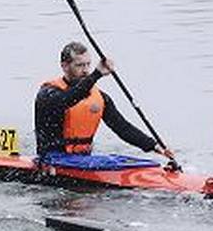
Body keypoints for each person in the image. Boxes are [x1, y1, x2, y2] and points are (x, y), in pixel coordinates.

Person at [34, 41, 175, 164]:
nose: (85, 70)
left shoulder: (100, 97)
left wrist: (154, 146)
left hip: (82, 160)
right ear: (64, 66)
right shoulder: (48, 94)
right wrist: (97, 74)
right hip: (51, 158)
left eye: (88, 64)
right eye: (80, 65)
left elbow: (123, 128)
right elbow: (68, 99)